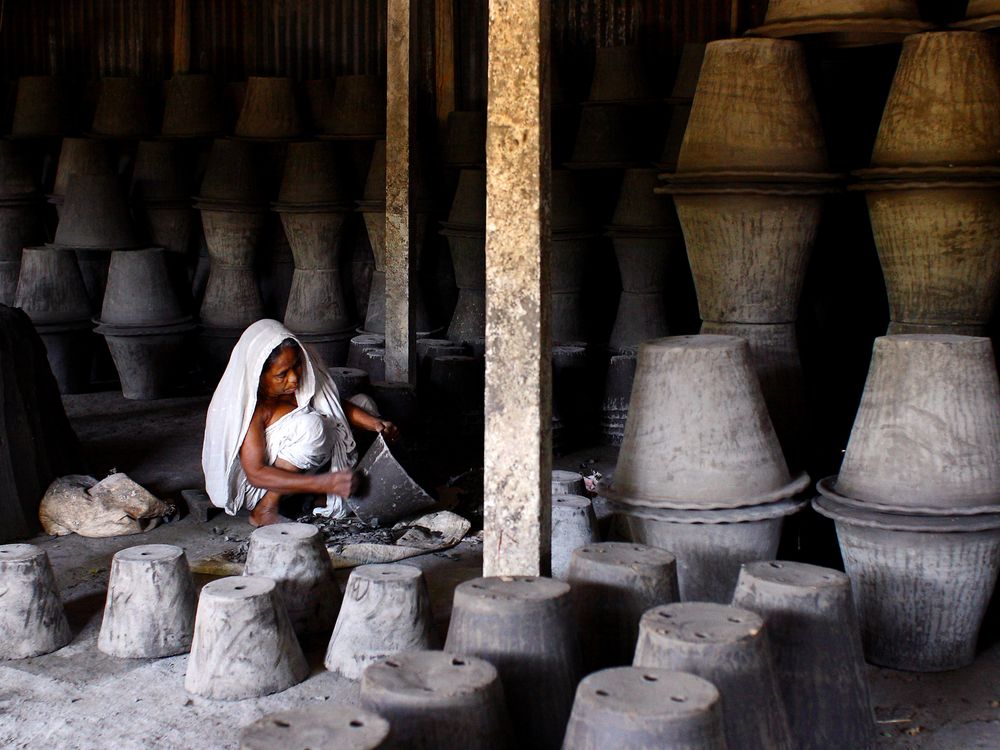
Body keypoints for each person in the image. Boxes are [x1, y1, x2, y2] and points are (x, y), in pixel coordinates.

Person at [202, 319, 398, 526]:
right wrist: (322, 484)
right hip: (259, 486)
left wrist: (376, 424)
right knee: (311, 428)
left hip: (306, 467)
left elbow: (333, 405)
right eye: (282, 374)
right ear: (258, 376)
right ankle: (266, 507)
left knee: (364, 403)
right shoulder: (252, 409)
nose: (294, 378)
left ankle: (310, 497)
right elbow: (256, 474)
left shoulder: (301, 378)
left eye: (296, 365)